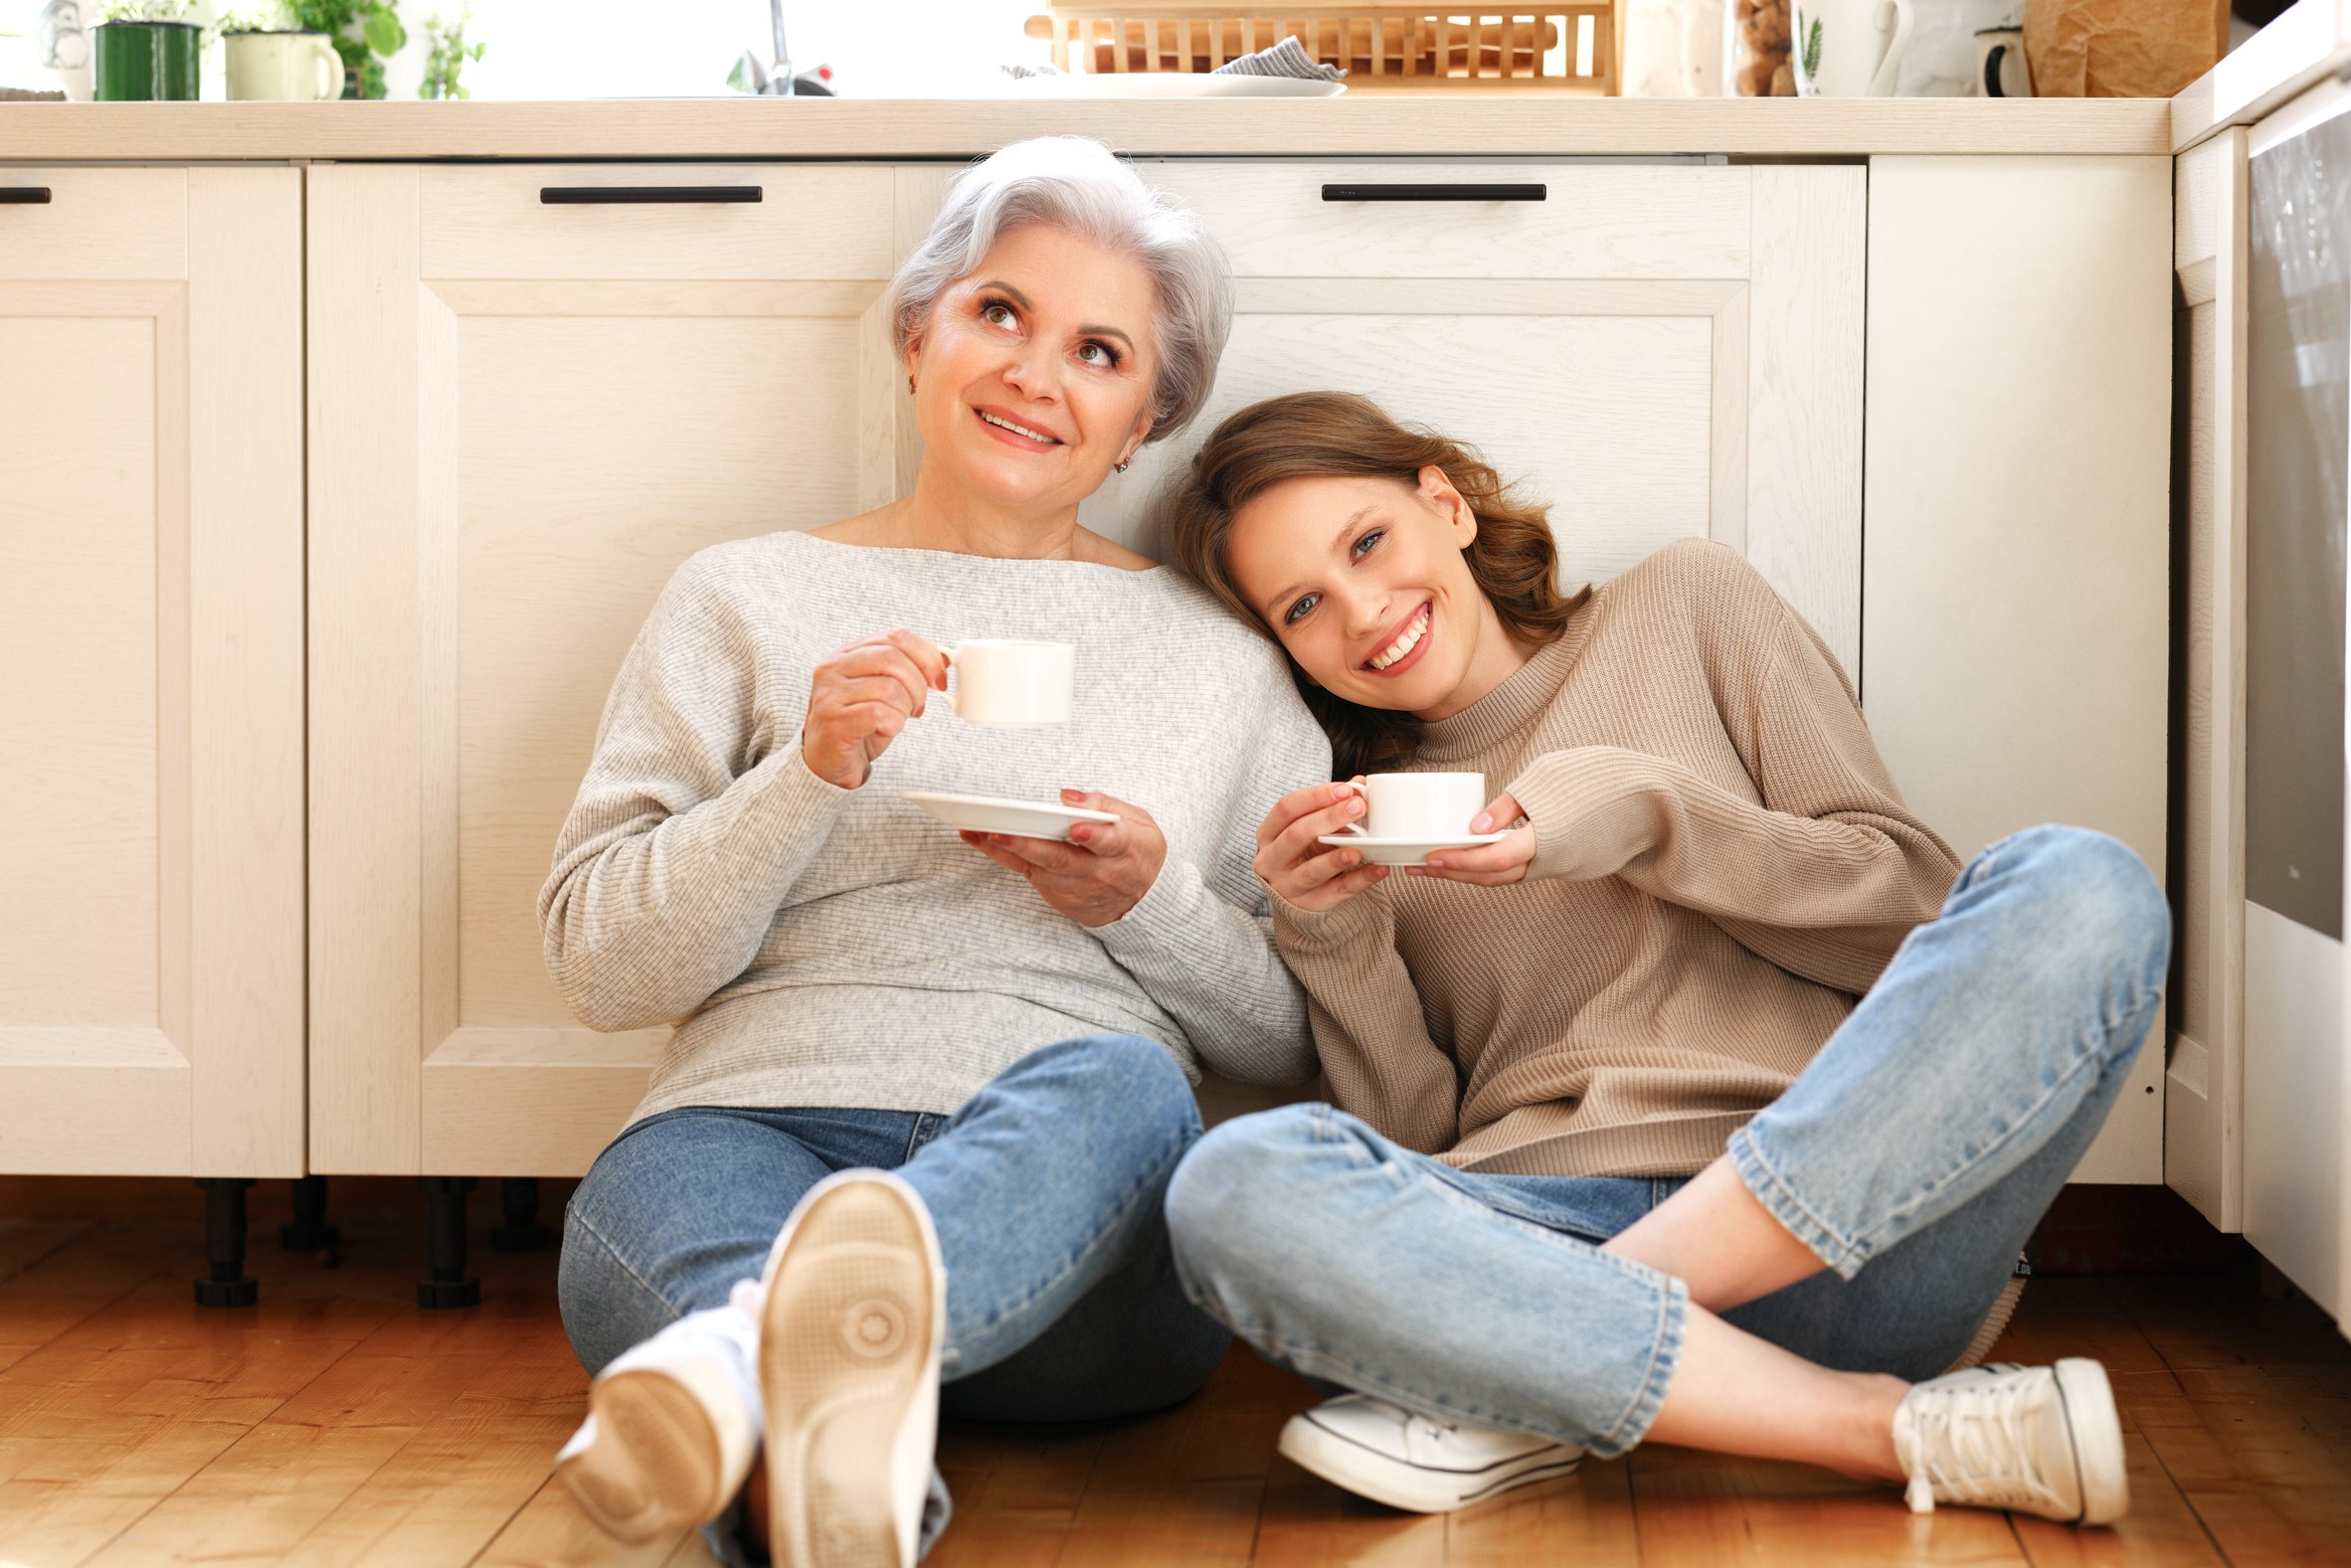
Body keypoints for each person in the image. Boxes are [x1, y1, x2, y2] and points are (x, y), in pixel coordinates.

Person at [1156, 391, 2170, 1525]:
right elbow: (1424, 1151)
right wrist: (1331, 933)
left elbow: (1910, 918)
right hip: (1533, 1219)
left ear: (1443, 501)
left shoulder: (1687, 601)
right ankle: (1887, 1428)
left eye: (1368, 542)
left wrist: (1643, 812)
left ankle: (1526, 1378)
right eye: (1304, 605)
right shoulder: (1365, 818)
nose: (1363, 609)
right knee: (1230, 1182)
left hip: (1837, 1228)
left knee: (2083, 886)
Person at [540, 138, 1327, 1567]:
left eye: (1098, 351)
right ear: (919, 334)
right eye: (1000, 313)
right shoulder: (744, 596)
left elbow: (1293, 1040)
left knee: (1126, 1085)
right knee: (699, 1234)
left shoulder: (1229, 667)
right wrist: (808, 775)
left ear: (1145, 416)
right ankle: (836, 1482)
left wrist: (1146, 901)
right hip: (749, 1131)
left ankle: (741, 1370)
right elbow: (602, 962)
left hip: (1074, 1172)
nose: (1036, 374)